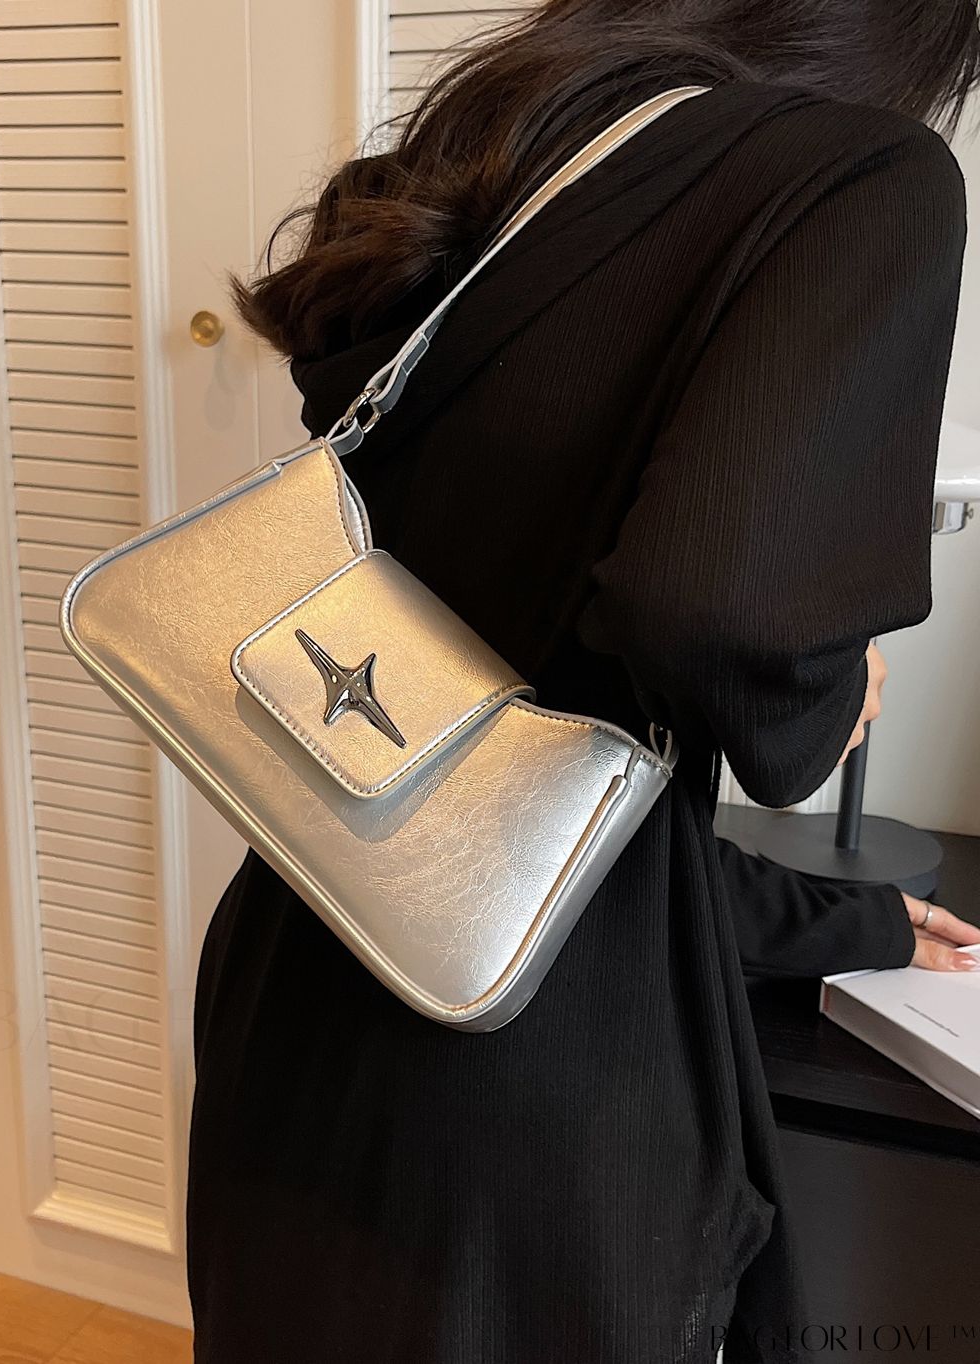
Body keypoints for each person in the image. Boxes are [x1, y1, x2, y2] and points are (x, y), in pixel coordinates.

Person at [186, 3, 980, 1360]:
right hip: (520, 1110)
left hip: (299, 994)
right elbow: (706, 618)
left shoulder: (508, 152)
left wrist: (857, 922)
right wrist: (827, 690)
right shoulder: (859, 171)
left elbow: (544, 793)